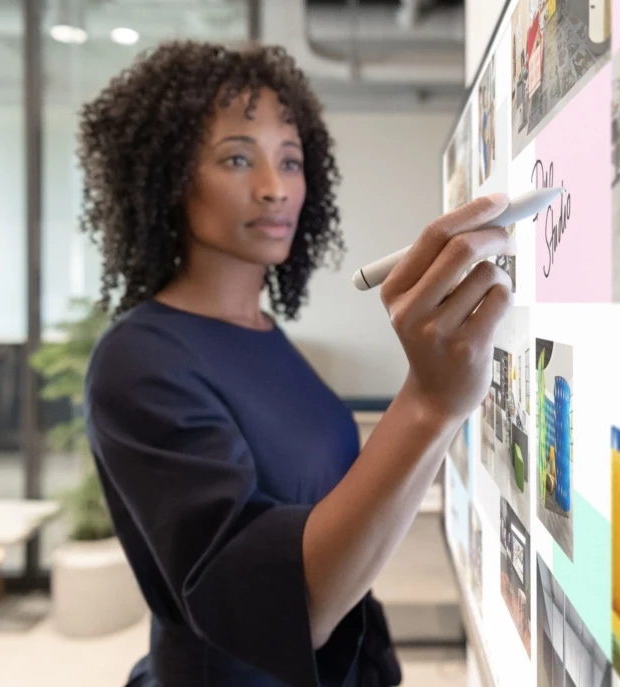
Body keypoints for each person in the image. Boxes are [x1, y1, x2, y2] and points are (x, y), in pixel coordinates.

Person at [78, 41, 515, 687]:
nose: (274, 188)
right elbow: (275, 609)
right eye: (236, 158)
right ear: (167, 175)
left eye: (291, 160)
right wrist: (429, 401)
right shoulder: (139, 362)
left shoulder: (262, 333)